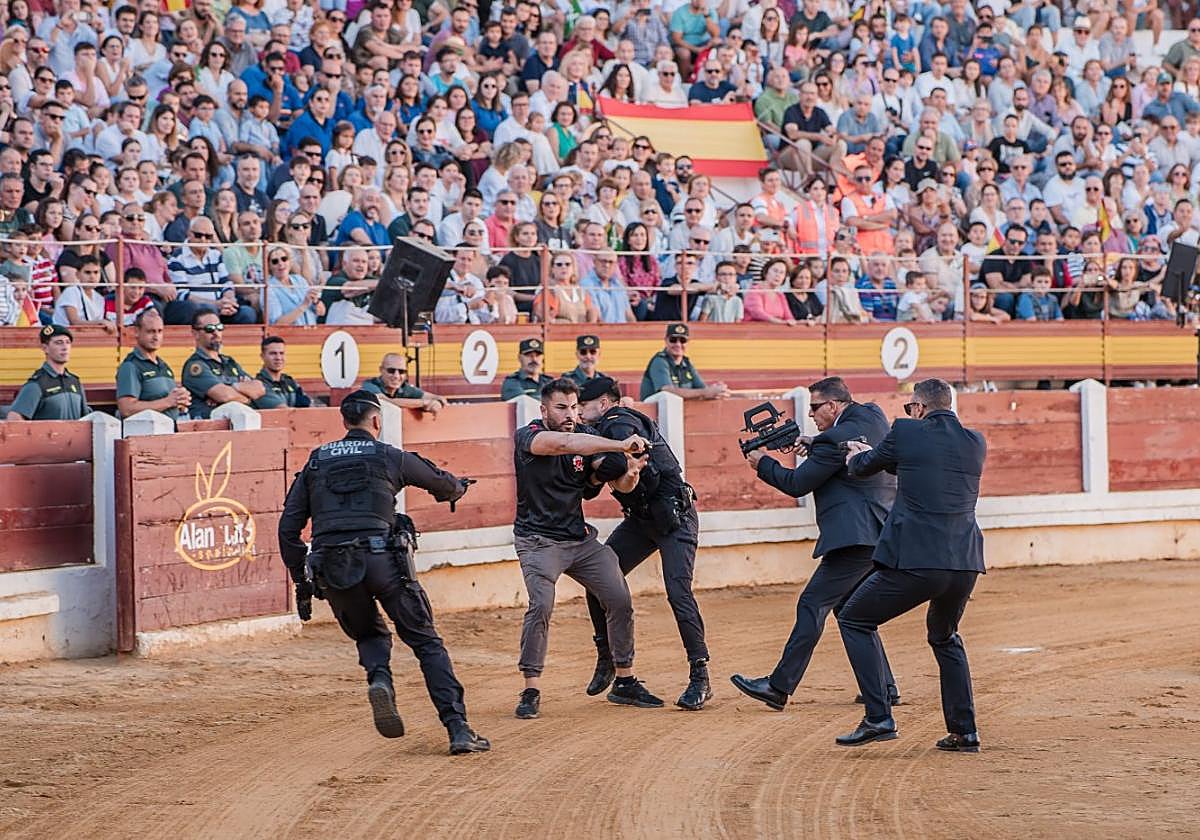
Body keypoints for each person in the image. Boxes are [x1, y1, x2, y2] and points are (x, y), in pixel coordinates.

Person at [277, 389, 490, 756]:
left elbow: (287, 530)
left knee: (370, 635)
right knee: (426, 643)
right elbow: (440, 482)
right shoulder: (388, 455)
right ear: (377, 421)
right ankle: (458, 729)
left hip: (333, 565)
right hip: (383, 561)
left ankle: (380, 678)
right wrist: (457, 489)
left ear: (344, 422)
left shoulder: (316, 461)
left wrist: (302, 581)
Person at [730, 377, 900, 711]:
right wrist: (818, 441)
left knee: (811, 604)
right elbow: (842, 444)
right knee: (852, 610)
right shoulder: (873, 415)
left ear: (834, 406)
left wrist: (763, 463)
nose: (811, 415)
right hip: (881, 532)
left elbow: (796, 484)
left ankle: (778, 687)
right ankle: (884, 686)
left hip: (854, 538)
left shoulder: (832, 439)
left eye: (816, 407)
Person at [837, 378, 986, 751]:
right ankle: (964, 731)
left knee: (854, 618)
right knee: (944, 636)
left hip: (918, 560)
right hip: (964, 563)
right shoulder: (975, 443)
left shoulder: (905, 432)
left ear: (918, 408)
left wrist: (855, 455)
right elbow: (927, 471)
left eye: (910, 408)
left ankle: (878, 717)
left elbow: (864, 468)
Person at [511, 377, 663, 719]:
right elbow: (565, 443)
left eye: (574, 408)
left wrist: (632, 471)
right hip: (538, 541)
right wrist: (620, 444)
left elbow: (617, 481)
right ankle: (531, 687)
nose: (569, 414)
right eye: (561, 408)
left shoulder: (585, 442)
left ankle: (624, 679)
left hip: (579, 540)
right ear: (544, 409)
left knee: (619, 598)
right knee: (541, 606)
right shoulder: (530, 436)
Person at [578, 376, 712, 710]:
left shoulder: (620, 423)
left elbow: (633, 460)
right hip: (642, 519)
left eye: (584, 405)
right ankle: (608, 657)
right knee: (599, 578)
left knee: (678, 592)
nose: (579, 412)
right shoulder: (604, 427)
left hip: (675, 518)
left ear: (604, 403)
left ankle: (700, 675)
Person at [180, 310, 272, 419]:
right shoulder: (195, 366)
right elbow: (224, 395)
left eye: (219, 327)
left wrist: (233, 388)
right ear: (195, 333)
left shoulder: (229, 362)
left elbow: (259, 388)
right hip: (209, 426)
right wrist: (247, 396)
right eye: (210, 329)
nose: (216, 333)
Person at [115, 309, 192, 420]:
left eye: (159, 331)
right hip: (146, 433)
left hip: (170, 431)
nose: (156, 337)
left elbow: (171, 401)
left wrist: (181, 400)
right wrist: (168, 402)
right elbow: (127, 408)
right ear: (136, 332)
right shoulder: (130, 366)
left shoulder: (164, 365)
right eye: (150, 331)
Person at [6, 325, 91, 421]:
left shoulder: (74, 381)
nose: (65, 347)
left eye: (68, 342)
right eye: (58, 343)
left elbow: (86, 419)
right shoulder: (37, 384)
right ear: (45, 348)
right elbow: (14, 419)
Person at [639, 323, 729, 400]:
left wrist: (716, 390)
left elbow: (701, 388)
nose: (678, 344)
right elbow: (667, 390)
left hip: (678, 413)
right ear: (666, 341)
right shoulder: (659, 361)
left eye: (682, 340)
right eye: (673, 340)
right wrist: (705, 392)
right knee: (666, 396)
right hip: (654, 415)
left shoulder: (687, 363)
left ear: (688, 342)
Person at [362, 352, 446, 416]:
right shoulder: (369, 385)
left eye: (401, 371)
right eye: (391, 371)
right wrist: (423, 403)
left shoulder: (404, 388)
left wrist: (438, 402)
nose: (396, 376)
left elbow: (437, 398)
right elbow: (387, 402)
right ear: (381, 370)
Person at [256, 336, 311, 408]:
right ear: (262, 356)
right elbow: (282, 411)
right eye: (273, 353)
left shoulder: (290, 382)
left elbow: (307, 406)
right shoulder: (258, 385)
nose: (278, 358)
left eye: (281, 353)